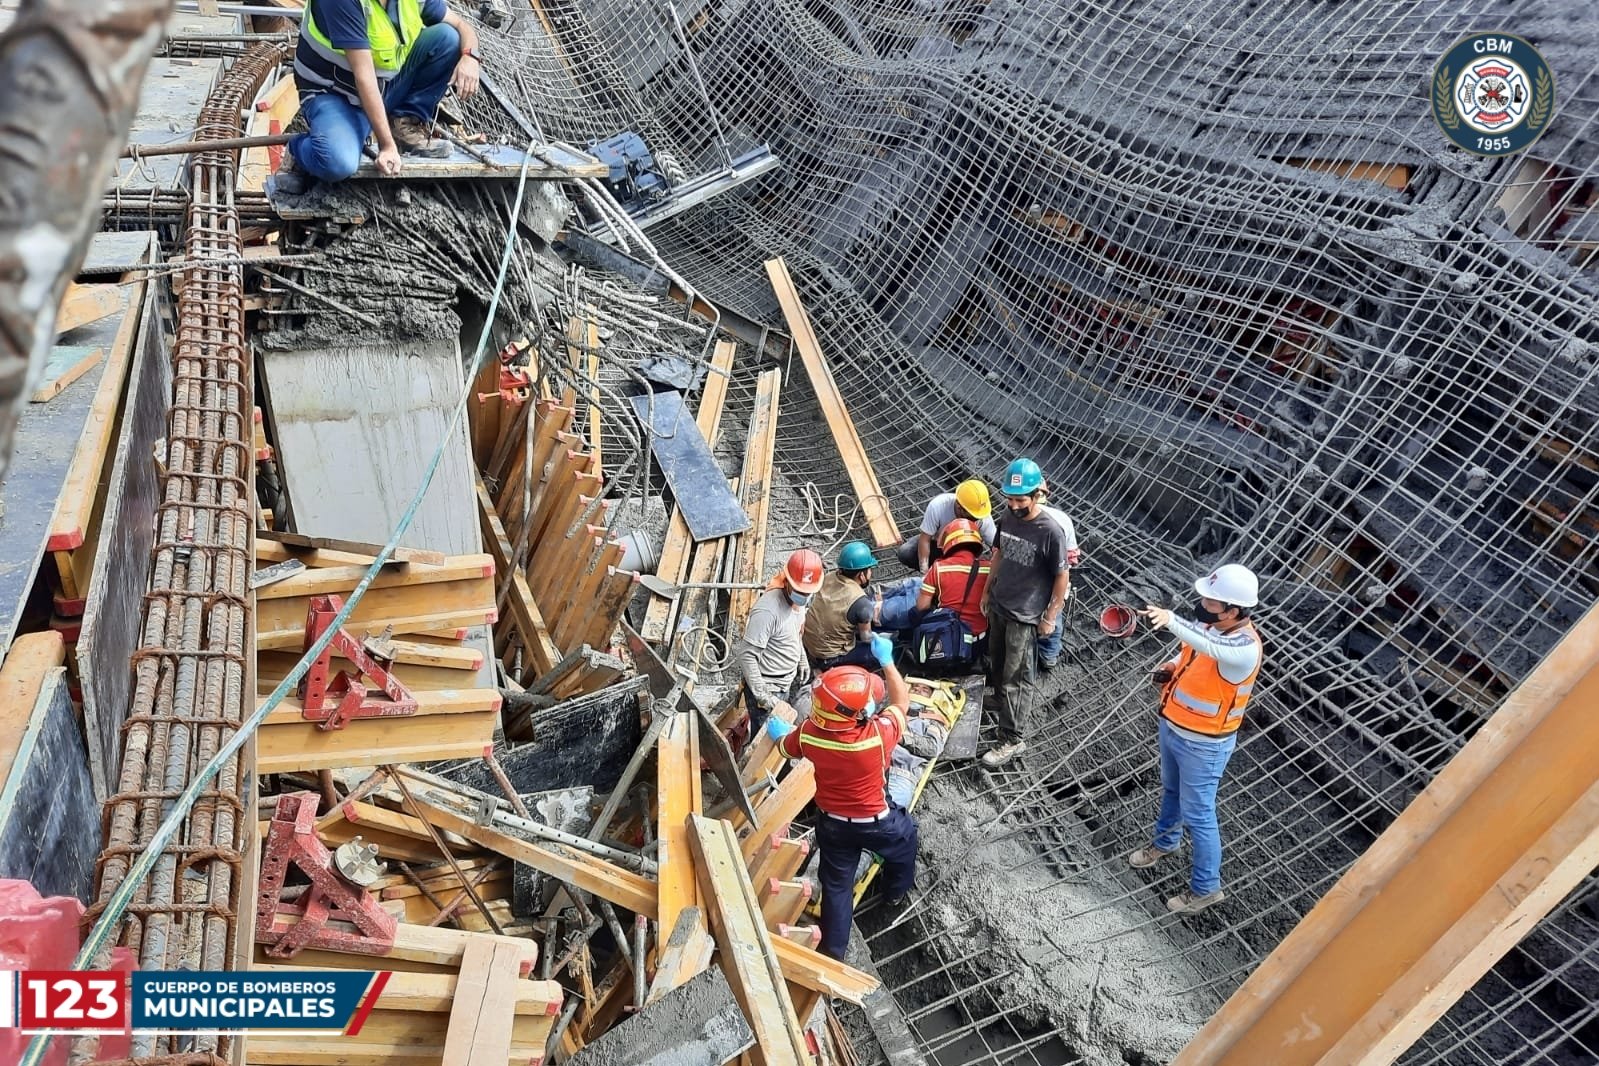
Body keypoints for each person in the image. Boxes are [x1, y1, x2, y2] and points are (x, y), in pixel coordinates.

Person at [766, 639, 916, 960]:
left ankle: (833, 951)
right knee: (906, 842)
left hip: (833, 825)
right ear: (855, 715)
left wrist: (780, 733)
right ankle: (894, 893)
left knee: (836, 887)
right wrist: (887, 662)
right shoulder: (877, 737)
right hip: (878, 822)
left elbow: (785, 747)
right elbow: (902, 702)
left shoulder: (808, 734)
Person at [1128, 564, 1262, 915]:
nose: (1202, 603)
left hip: (1205, 745)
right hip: (1173, 726)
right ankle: (1165, 843)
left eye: (1211, 601)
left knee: (1200, 814)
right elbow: (1192, 650)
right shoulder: (1210, 625)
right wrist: (1172, 666)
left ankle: (1206, 888)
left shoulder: (1243, 647)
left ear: (1234, 611)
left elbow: (1211, 647)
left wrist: (1171, 619)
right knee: (1171, 791)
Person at [272, 0, 483, 195]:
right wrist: (386, 146)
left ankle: (403, 123)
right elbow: (364, 77)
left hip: (382, 84)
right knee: (337, 162)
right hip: (332, 93)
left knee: (448, 38)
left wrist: (470, 56)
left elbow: (461, 25)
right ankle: (297, 149)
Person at [979, 458, 1070, 768]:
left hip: (1025, 613)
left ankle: (1011, 738)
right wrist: (987, 589)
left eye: (1021, 499)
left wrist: (1050, 617)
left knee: (1018, 676)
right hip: (1001, 604)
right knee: (999, 662)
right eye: (1010, 498)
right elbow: (998, 554)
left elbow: (1061, 577)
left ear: (1037, 495)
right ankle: (999, 701)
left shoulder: (1050, 532)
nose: (1014, 504)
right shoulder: (1007, 517)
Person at [734, 549, 824, 742]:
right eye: (799, 591)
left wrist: (801, 659)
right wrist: (763, 696)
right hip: (768, 686)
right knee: (764, 739)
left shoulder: (799, 601)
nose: (804, 596)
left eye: (808, 592)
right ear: (788, 581)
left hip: (784, 682)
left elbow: (795, 631)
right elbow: (747, 655)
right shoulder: (768, 610)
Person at [803, 541, 879, 670]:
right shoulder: (862, 603)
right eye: (869, 570)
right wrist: (882, 636)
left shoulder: (829, 577)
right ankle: (830, 668)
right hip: (828, 657)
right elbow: (866, 637)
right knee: (878, 653)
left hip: (808, 641)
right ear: (861, 575)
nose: (870, 573)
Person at [894, 479, 996, 572]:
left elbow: (996, 546)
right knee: (906, 553)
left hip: (965, 552)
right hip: (938, 546)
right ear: (959, 506)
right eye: (972, 517)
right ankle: (935, 573)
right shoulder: (938, 506)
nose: (975, 520)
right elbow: (925, 539)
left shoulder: (983, 517)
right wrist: (924, 571)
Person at [1033, 483, 1081, 671]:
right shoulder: (1063, 518)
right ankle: (1048, 656)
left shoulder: (1016, 515)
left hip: (1022, 584)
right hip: (1053, 583)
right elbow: (1072, 557)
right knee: (1054, 618)